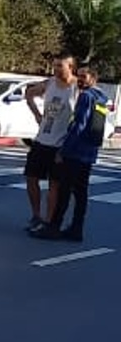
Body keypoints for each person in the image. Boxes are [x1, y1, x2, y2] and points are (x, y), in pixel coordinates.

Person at [33, 65, 108, 242]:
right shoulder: (102, 98)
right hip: (90, 152)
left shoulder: (86, 97)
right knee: (81, 192)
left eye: (84, 76)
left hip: (75, 152)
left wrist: (64, 150)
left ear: (93, 78)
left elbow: (79, 125)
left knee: (64, 190)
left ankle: (54, 227)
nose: (80, 79)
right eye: (79, 76)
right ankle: (76, 229)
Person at [23, 53, 77, 232]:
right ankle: (36, 215)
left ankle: (48, 220)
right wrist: (37, 115)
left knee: (54, 184)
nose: (56, 70)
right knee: (31, 178)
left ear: (70, 67)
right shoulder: (50, 83)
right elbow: (29, 94)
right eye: (54, 66)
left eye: (60, 66)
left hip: (60, 144)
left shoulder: (76, 88)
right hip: (42, 139)